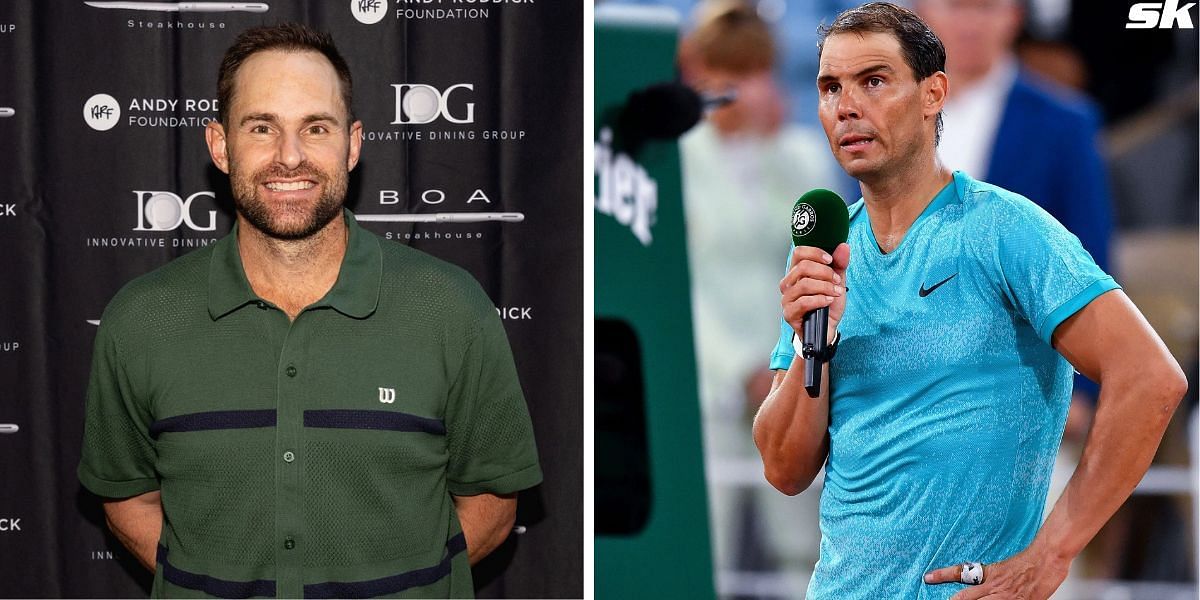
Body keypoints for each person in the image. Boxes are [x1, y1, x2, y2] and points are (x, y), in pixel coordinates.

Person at [76, 23, 541, 598]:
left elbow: (493, 503)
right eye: (262, 127)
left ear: (352, 144)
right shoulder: (142, 319)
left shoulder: (449, 308)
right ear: (220, 146)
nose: (289, 156)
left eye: (315, 128)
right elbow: (125, 497)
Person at [751, 4, 1187, 599]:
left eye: (873, 81)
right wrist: (809, 345)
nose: (846, 105)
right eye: (830, 87)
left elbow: (1151, 379)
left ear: (934, 93)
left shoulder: (1005, 229)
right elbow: (783, 469)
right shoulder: (823, 252)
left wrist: (1050, 555)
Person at [915, 0, 1115, 433]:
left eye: (985, 7)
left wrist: (1083, 394)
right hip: (906, 388)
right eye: (955, 7)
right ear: (923, 12)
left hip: (1026, 391)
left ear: (1014, 16)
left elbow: (1091, 255)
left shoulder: (1066, 122)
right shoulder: (887, 114)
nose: (970, 23)